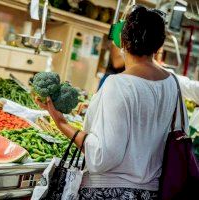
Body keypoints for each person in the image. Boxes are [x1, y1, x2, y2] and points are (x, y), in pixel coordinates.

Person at [36, 5, 188, 199]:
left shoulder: (118, 84)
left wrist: (61, 122)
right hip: (152, 193)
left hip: (109, 192)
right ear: (159, 45)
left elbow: (102, 157)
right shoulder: (172, 83)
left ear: (123, 42)